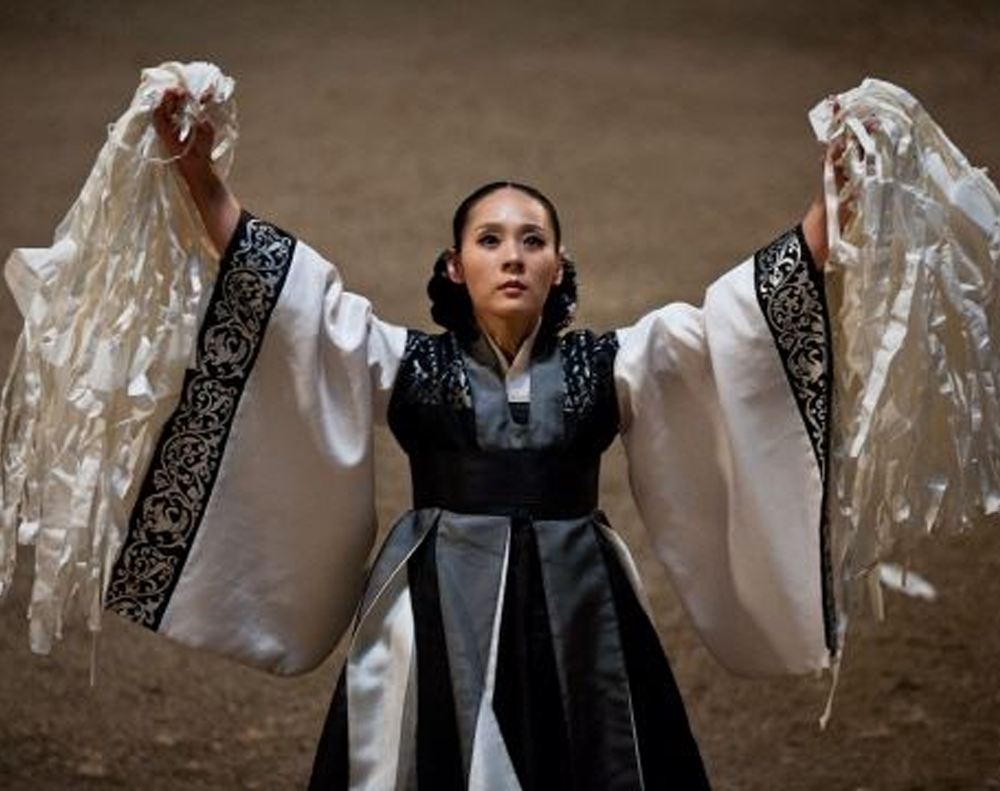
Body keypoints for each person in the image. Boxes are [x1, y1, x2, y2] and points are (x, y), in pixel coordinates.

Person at [116, 87, 836, 789]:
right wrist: (198, 172)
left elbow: (734, 328)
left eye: (533, 241)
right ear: (458, 267)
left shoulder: (612, 363)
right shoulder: (409, 363)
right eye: (490, 240)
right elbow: (295, 301)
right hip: (435, 596)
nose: (513, 256)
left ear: (559, 267)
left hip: (582, 599)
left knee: (594, 745)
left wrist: (831, 197)